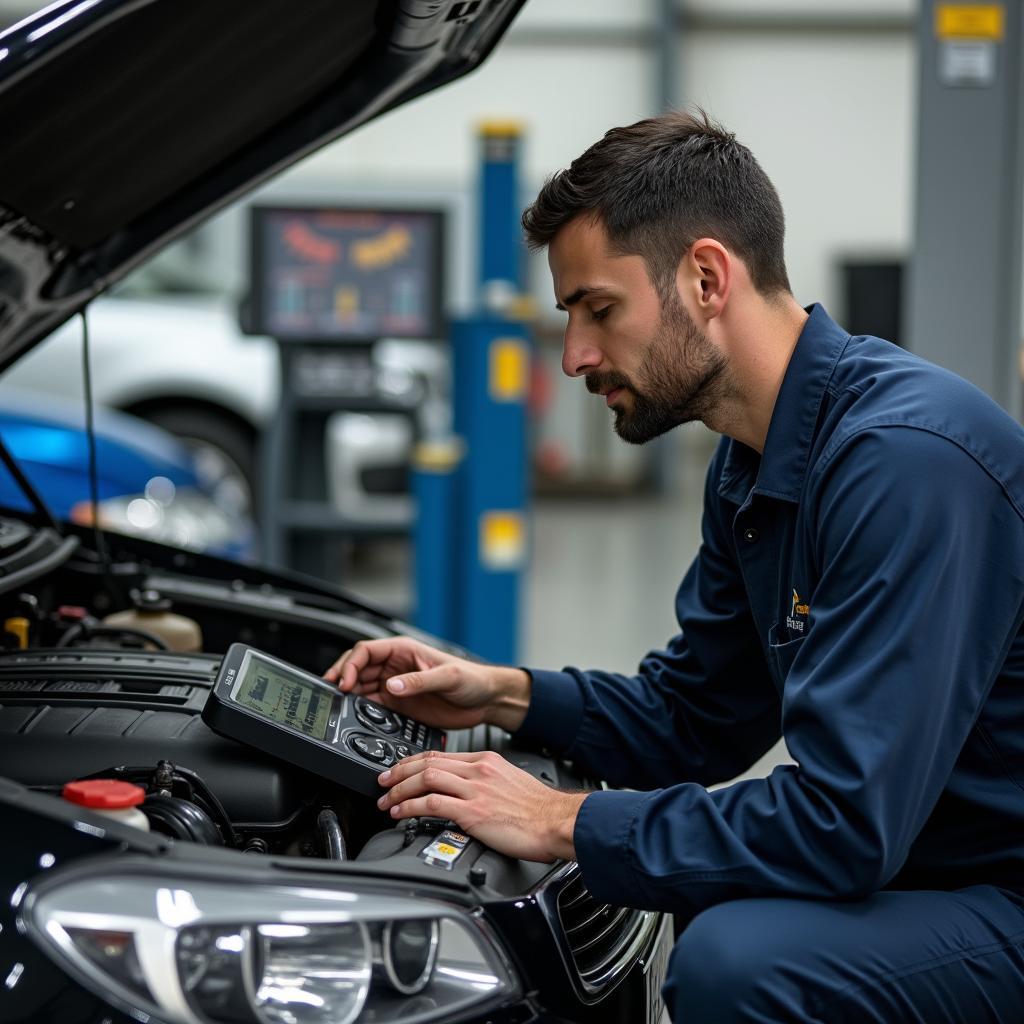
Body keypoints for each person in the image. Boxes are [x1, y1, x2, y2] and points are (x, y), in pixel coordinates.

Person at [325, 110, 1024, 1022]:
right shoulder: (753, 462)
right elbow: (697, 717)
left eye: (598, 311)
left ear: (704, 277)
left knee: (744, 962)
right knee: (699, 894)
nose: (575, 355)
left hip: (1001, 888)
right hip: (933, 870)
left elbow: (845, 825)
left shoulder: (906, 464)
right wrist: (501, 694)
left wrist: (559, 820)